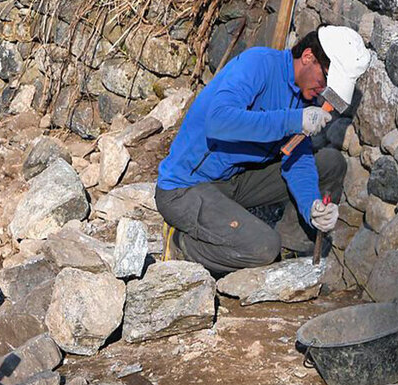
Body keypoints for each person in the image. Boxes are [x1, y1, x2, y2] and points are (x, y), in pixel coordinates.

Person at [155, 25, 371, 274]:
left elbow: (297, 158)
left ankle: (289, 250)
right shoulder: (258, 64)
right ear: (308, 57)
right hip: (185, 187)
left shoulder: (304, 97)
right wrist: (293, 120)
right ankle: (181, 244)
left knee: (330, 163)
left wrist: (312, 206)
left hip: (235, 182)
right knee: (263, 248)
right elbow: (218, 121)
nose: (323, 91)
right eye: (325, 80)